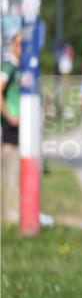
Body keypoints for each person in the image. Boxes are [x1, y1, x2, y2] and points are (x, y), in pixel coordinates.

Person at [1, 35, 22, 223]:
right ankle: (10, 218)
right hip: (9, 128)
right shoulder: (8, 67)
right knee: (10, 173)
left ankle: (11, 216)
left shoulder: (19, 68)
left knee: (14, 175)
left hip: (18, 127)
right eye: (20, 44)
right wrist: (10, 116)